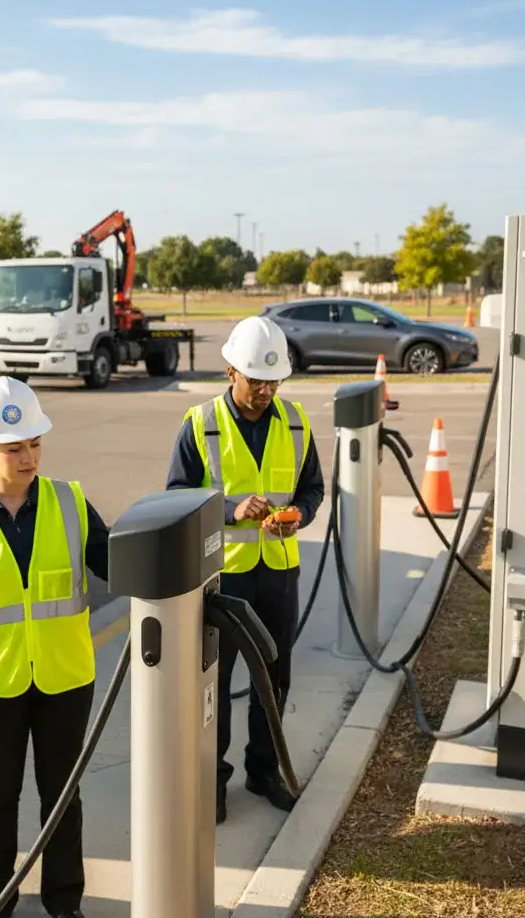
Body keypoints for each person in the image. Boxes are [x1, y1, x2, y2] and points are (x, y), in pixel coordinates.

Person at [0, 376, 110, 918]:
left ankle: (64, 903)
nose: (28, 456)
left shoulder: (70, 501)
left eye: (35, 444)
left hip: (65, 677)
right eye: (14, 448)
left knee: (63, 799)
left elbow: (120, 563)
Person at [165, 316, 324, 824]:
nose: (266, 390)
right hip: (220, 579)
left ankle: (264, 771)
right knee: (214, 683)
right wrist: (230, 507)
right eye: (256, 380)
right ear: (230, 370)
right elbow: (175, 498)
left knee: (273, 678)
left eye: (274, 381)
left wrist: (299, 514)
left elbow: (312, 489)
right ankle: (212, 781)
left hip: (278, 571)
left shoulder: (296, 421)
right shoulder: (200, 423)